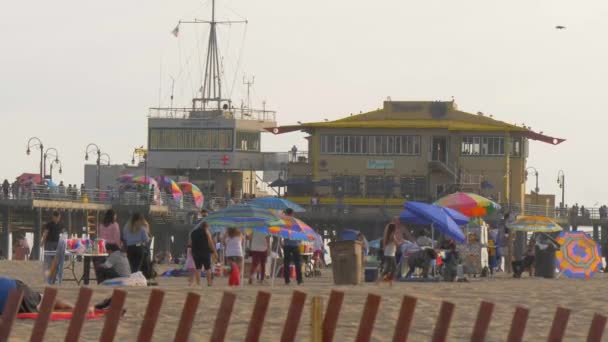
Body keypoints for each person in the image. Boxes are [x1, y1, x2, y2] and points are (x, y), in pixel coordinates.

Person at [0, 276, 94, 315]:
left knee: (46, 303)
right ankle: (79, 308)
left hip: (13, 292)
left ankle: (80, 309)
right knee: (45, 303)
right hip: (12, 289)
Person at [190, 222, 218, 287]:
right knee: (207, 268)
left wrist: (192, 252)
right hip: (205, 252)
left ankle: (198, 284)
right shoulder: (206, 232)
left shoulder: (193, 232)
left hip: (195, 252)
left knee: (198, 268)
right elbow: (210, 243)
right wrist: (215, 252)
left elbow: (191, 243)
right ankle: (209, 283)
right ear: (206, 227)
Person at [282, 208, 303, 285]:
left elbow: (281, 232)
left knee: (286, 262)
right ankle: (299, 279)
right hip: (295, 244)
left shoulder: (284, 222)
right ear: (292, 213)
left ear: (286, 213)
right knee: (297, 262)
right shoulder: (296, 222)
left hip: (286, 244)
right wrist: (300, 241)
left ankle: (287, 280)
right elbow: (300, 232)